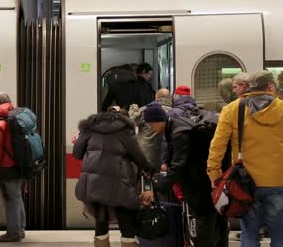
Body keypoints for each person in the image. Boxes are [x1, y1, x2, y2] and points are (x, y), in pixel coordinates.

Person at [207, 70, 283, 246]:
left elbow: (217, 146)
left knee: (249, 234)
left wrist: (215, 175)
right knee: (280, 234)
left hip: (245, 182)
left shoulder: (232, 109)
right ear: (270, 86)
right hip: (278, 181)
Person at [144, 103, 228, 247]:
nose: (150, 128)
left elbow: (178, 165)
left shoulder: (178, 134)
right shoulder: (178, 124)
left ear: (158, 120)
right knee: (217, 218)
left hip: (198, 183)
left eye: (151, 124)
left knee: (204, 219)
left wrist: (157, 188)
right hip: (206, 179)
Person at [73, 107, 157, 247]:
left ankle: (101, 244)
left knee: (101, 219)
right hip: (120, 184)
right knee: (126, 221)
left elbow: (76, 153)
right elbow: (138, 157)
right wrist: (150, 169)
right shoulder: (125, 131)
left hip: (95, 184)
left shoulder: (90, 128)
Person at [0, 92, 26, 242]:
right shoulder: (16, 119)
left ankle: (13, 233)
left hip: (5, 168)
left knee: (9, 200)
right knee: (17, 198)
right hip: (18, 165)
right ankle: (20, 229)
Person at [128, 88, 172, 170]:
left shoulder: (146, 110)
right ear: (170, 98)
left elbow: (132, 124)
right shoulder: (174, 112)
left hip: (146, 155)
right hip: (166, 158)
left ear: (156, 97)